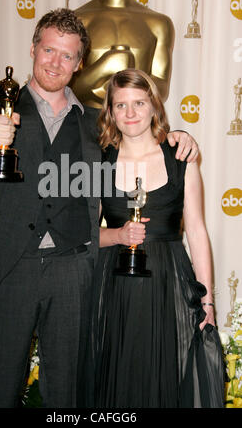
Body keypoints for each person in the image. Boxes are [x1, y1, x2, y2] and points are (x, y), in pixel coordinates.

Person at [0, 9, 198, 408]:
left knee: (66, 393)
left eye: (67, 55)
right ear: (33, 49)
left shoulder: (91, 125)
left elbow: (137, 134)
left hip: (73, 270)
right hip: (9, 267)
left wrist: (179, 137)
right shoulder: (1, 100)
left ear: (80, 63)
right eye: (48, 50)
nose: (55, 62)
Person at [92, 68, 225, 408]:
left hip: (169, 285)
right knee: (118, 378)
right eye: (120, 106)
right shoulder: (98, 161)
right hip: (113, 287)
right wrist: (118, 234)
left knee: (167, 377)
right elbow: (84, 234)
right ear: (110, 111)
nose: (131, 113)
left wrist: (207, 302)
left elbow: (196, 230)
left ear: (154, 106)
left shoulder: (181, 157)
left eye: (139, 103)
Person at [71, 0, 174, 108]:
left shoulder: (159, 24)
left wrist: (126, 97)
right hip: (84, 124)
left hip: (136, 124)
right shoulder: (76, 21)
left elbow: (161, 87)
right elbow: (65, 86)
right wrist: (104, 66)